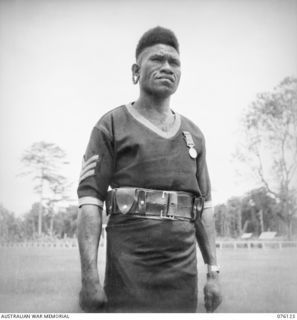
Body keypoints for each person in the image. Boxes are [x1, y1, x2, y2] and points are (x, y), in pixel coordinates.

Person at [77, 26, 222, 313]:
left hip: (183, 279)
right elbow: (89, 205)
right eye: (157, 59)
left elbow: (204, 208)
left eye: (174, 62)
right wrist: (89, 278)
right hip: (127, 279)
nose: (167, 67)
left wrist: (213, 273)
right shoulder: (111, 126)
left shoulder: (194, 135)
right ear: (136, 70)